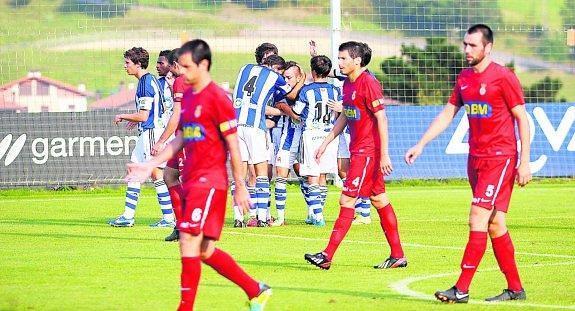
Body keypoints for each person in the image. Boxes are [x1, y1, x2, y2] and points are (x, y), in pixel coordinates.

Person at [125, 39, 272, 311]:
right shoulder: (190, 94)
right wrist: (151, 163)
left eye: (187, 66)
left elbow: (233, 145)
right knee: (203, 250)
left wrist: (240, 186)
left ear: (204, 65)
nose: (181, 72)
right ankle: (255, 289)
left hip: (211, 183)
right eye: (179, 66)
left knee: (188, 241)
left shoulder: (218, 99)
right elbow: (182, 136)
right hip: (192, 179)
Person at [405, 24, 531, 303]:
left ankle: (461, 288)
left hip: (500, 158)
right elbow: (448, 113)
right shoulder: (464, 78)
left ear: (488, 47)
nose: (466, 50)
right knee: (496, 224)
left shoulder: (503, 77)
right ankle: (515, 289)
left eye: (472, 45)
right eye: (465, 44)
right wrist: (421, 143)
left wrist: (525, 162)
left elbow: (522, 117)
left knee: (477, 216)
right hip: (475, 159)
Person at [303, 41, 407, 270]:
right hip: (358, 150)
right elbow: (345, 116)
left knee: (346, 199)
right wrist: (326, 142)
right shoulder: (348, 85)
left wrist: (385, 155)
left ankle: (327, 254)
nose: (338, 63)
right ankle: (398, 255)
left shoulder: (368, 83)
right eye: (338, 59)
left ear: (356, 61)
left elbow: (381, 118)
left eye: (342, 59)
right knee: (379, 199)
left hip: (367, 152)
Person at [109, 47, 175, 228]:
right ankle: (128, 216)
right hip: (149, 131)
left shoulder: (146, 83)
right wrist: (135, 119)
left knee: (156, 175)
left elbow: (145, 116)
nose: (125, 66)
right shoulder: (149, 80)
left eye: (127, 63)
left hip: (151, 132)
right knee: (136, 171)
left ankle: (168, 218)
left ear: (138, 64)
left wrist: (124, 116)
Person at [233, 43, 291, 227]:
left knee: (239, 174)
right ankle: (262, 216)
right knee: (262, 174)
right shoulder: (275, 77)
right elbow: (289, 93)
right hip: (255, 126)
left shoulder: (245, 68)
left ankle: (238, 218)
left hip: (236, 125)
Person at [292, 55, 340, 227]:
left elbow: (297, 112)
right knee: (322, 176)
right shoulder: (335, 90)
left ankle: (317, 216)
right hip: (330, 136)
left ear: (312, 71)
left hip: (311, 135)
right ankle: (316, 213)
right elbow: (339, 112)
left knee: (312, 176)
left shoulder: (306, 91)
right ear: (328, 71)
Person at [160, 48, 193, 242]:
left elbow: (177, 114)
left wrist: (162, 140)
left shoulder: (181, 80)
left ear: (175, 64)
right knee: (169, 176)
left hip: (187, 137)